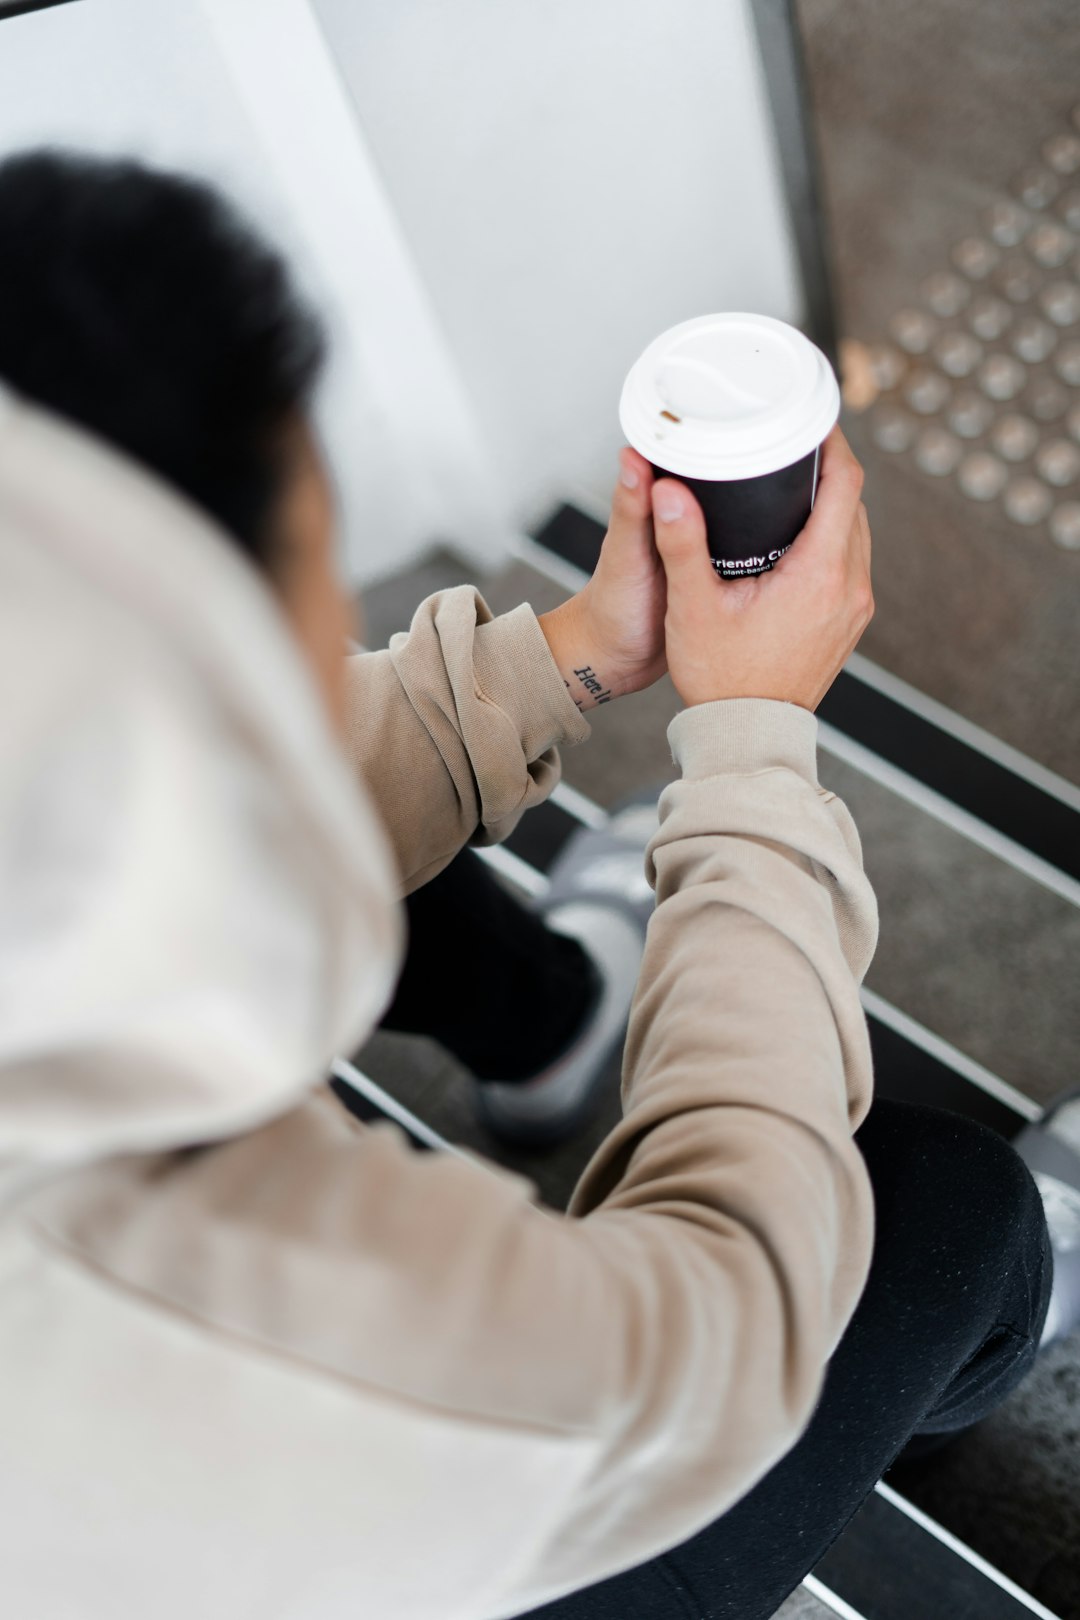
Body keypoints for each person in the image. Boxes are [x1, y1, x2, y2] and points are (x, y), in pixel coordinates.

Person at [0, 149, 1066, 1620]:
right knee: (953, 1213)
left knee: (302, 853)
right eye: (318, 555)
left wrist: (561, 656)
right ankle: (978, 1365)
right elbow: (722, 1327)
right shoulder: (228, 1303)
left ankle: (558, 1024)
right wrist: (753, 749)